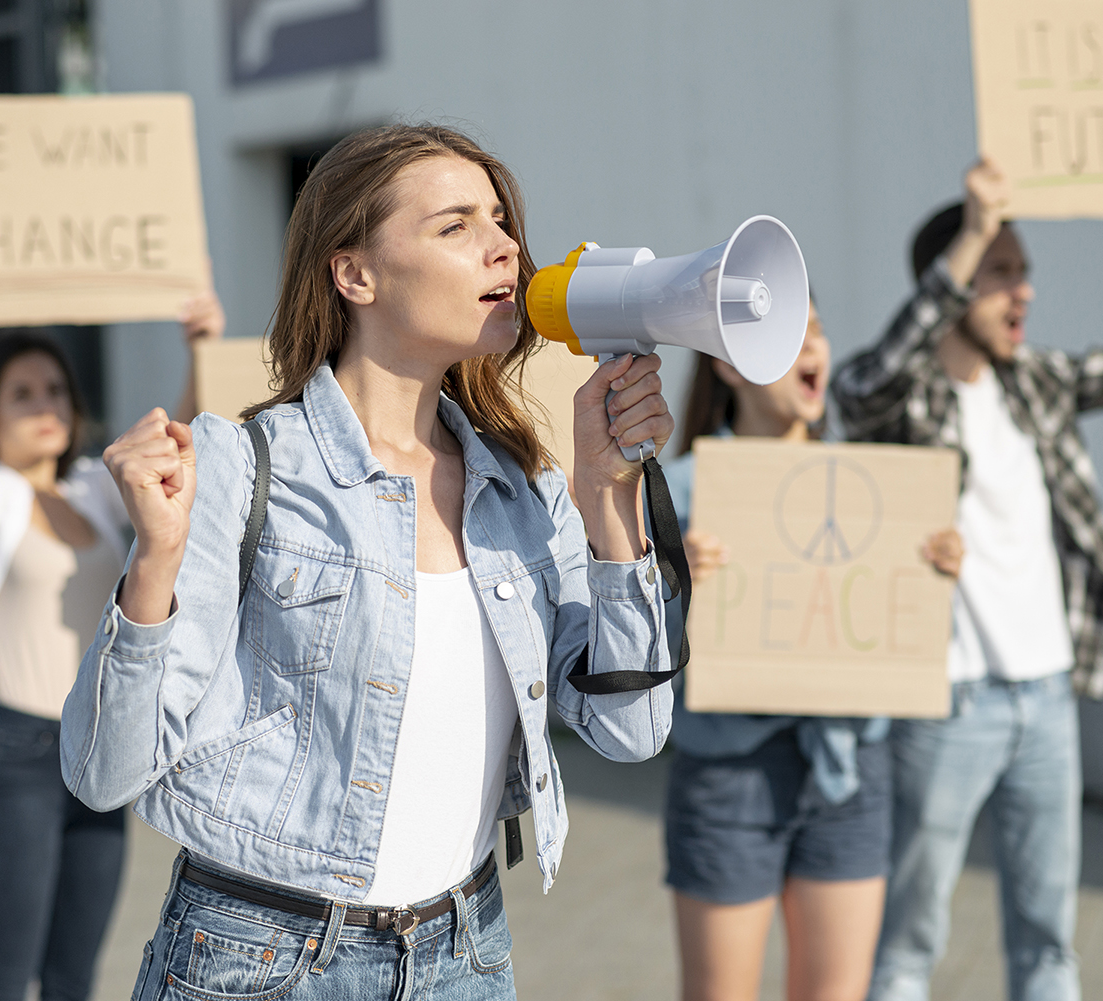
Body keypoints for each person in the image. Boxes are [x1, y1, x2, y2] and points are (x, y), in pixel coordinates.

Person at [61, 123, 678, 999]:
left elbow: (632, 730)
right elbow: (103, 772)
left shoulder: (527, 490)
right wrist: (154, 563)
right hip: (260, 960)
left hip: (464, 953)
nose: (507, 246)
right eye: (456, 225)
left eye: (501, 220)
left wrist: (609, 497)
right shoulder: (238, 466)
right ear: (355, 274)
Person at [831, 160, 1103, 1001]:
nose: (1021, 291)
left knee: (1049, 944)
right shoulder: (905, 399)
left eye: (1023, 271)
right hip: (947, 704)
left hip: (1049, 697)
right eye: (999, 272)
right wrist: (974, 231)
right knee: (910, 945)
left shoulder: (1040, 384)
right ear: (950, 283)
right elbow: (864, 383)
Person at [0, 260, 223, 1001]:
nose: (44, 404)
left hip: (93, 754)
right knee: (2, 973)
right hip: (10, 752)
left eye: (54, 389)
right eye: (21, 395)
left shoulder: (95, 489)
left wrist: (200, 348)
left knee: (72, 975)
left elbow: (177, 443)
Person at [659, 302, 962, 1001]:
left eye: (818, 328)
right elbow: (635, 657)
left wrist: (930, 574)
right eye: (789, 335)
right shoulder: (675, 494)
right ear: (727, 363)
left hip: (851, 767)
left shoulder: (879, 489)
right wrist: (671, 586)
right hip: (729, 773)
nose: (813, 346)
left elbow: (895, 635)